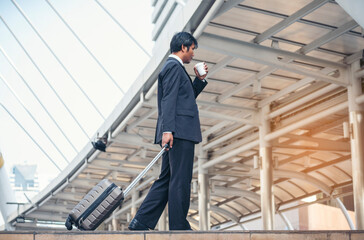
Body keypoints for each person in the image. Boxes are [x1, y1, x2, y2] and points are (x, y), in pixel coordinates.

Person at [128, 32, 208, 231]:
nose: (193, 55)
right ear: (184, 47)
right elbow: (169, 100)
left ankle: (141, 222)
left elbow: (184, 100)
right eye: (192, 50)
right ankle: (179, 225)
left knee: (166, 179)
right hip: (179, 133)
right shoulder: (174, 67)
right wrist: (168, 130)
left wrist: (199, 80)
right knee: (180, 179)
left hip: (176, 131)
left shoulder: (174, 68)